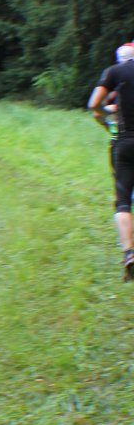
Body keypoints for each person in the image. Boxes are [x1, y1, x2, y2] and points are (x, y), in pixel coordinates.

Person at [88, 42, 134, 280]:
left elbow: (93, 105)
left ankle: (129, 253)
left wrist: (107, 115)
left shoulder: (115, 73)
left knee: (123, 200)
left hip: (124, 143)